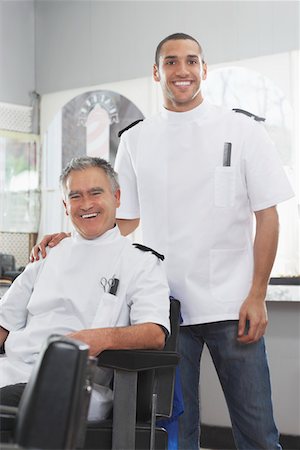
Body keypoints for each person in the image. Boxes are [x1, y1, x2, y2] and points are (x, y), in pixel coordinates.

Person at [31, 34, 294, 450]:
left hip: (233, 304)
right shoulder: (136, 139)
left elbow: (268, 215)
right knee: (173, 434)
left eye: (192, 61)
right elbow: (127, 218)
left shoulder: (242, 129)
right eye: (171, 62)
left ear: (204, 69)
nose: (182, 70)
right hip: (164, 309)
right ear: (157, 72)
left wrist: (257, 293)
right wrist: (73, 236)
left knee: (258, 432)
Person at [0, 156, 170, 423]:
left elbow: (154, 333)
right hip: (11, 372)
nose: (87, 204)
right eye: (76, 196)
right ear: (66, 206)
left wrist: (95, 338)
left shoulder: (141, 263)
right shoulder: (47, 255)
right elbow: (4, 323)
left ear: (116, 196)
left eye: (96, 193)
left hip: (71, 385)